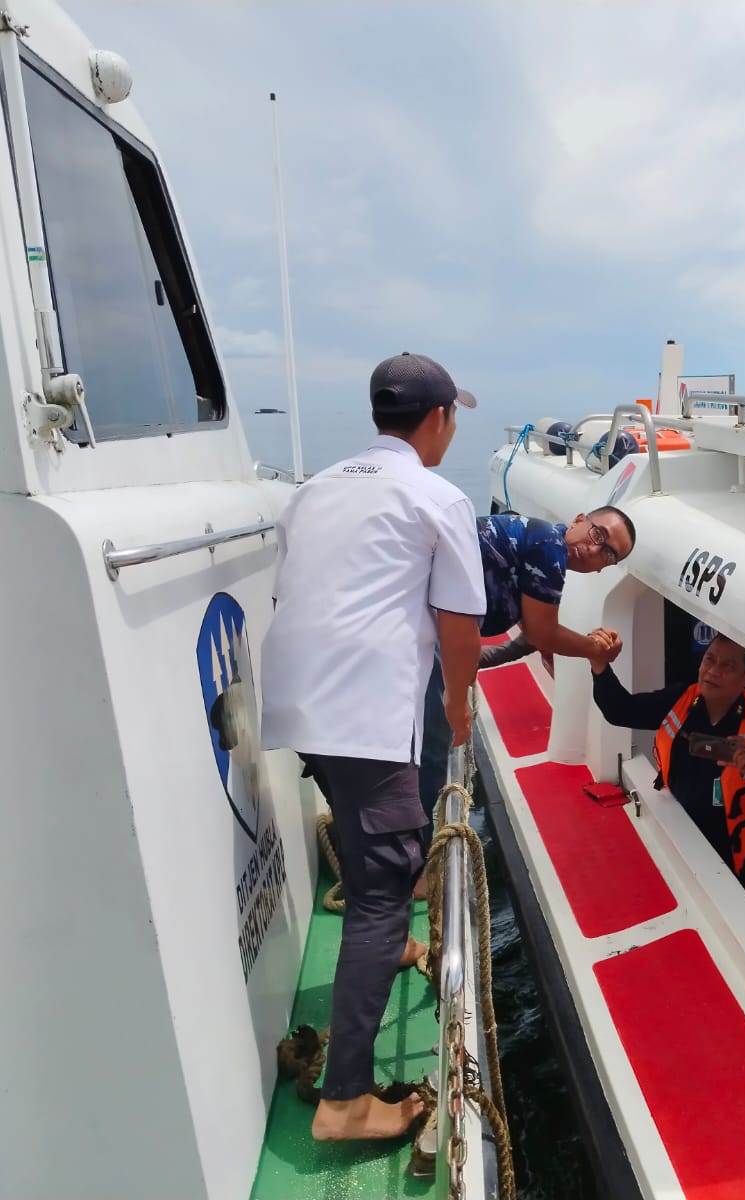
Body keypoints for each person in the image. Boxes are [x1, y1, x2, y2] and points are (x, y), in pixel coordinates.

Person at [261, 352, 485, 1141]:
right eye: (454, 417)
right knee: (389, 878)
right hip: (365, 708)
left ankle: (383, 949)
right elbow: (461, 625)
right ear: (438, 420)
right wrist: (457, 707)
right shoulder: (437, 497)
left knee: (362, 831)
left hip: (299, 702)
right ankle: (346, 1102)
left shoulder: (313, 489)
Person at [416, 508, 635, 837]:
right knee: (431, 746)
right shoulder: (549, 545)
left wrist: (589, 645)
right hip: (415, 624)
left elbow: (529, 638)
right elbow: (542, 634)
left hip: (423, 628)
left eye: (607, 553)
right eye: (597, 535)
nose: (593, 550)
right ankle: (411, 857)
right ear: (578, 520)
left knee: (421, 745)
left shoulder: (540, 553)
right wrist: (595, 649)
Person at [588, 632, 745, 926]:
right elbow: (621, 710)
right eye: (709, 659)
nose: (713, 671)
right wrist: (600, 666)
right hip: (685, 843)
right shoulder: (681, 700)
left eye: (728, 666)